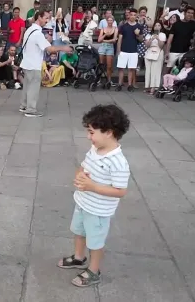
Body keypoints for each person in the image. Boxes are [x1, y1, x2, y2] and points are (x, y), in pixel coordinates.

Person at [58, 104, 130, 288]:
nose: (88, 137)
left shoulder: (118, 161)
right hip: (83, 202)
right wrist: (80, 175)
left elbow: (120, 191)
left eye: (92, 132)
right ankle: (78, 257)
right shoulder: (94, 149)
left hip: (98, 210)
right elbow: (84, 165)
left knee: (95, 242)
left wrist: (93, 186)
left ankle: (94, 270)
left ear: (108, 132)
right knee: (79, 232)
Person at [20, 10, 71, 117]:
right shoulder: (38, 33)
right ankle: (30, 110)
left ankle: (24, 105)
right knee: (33, 87)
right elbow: (50, 49)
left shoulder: (29, 30)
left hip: (27, 62)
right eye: (46, 18)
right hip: (34, 64)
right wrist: (63, 48)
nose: (47, 21)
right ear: (39, 17)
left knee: (27, 86)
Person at [115, 8, 143, 91]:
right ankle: (120, 84)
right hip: (123, 50)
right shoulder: (124, 26)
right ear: (129, 15)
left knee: (131, 69)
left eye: (135, 15)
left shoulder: (139, 26)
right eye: (131, 15)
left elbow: (141, 39)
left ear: (136, 16)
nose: (133, 16)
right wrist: (118, 50)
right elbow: (120, 38)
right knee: (121, 68)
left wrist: (137, 35)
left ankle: (130, 85)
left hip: (133, 51)